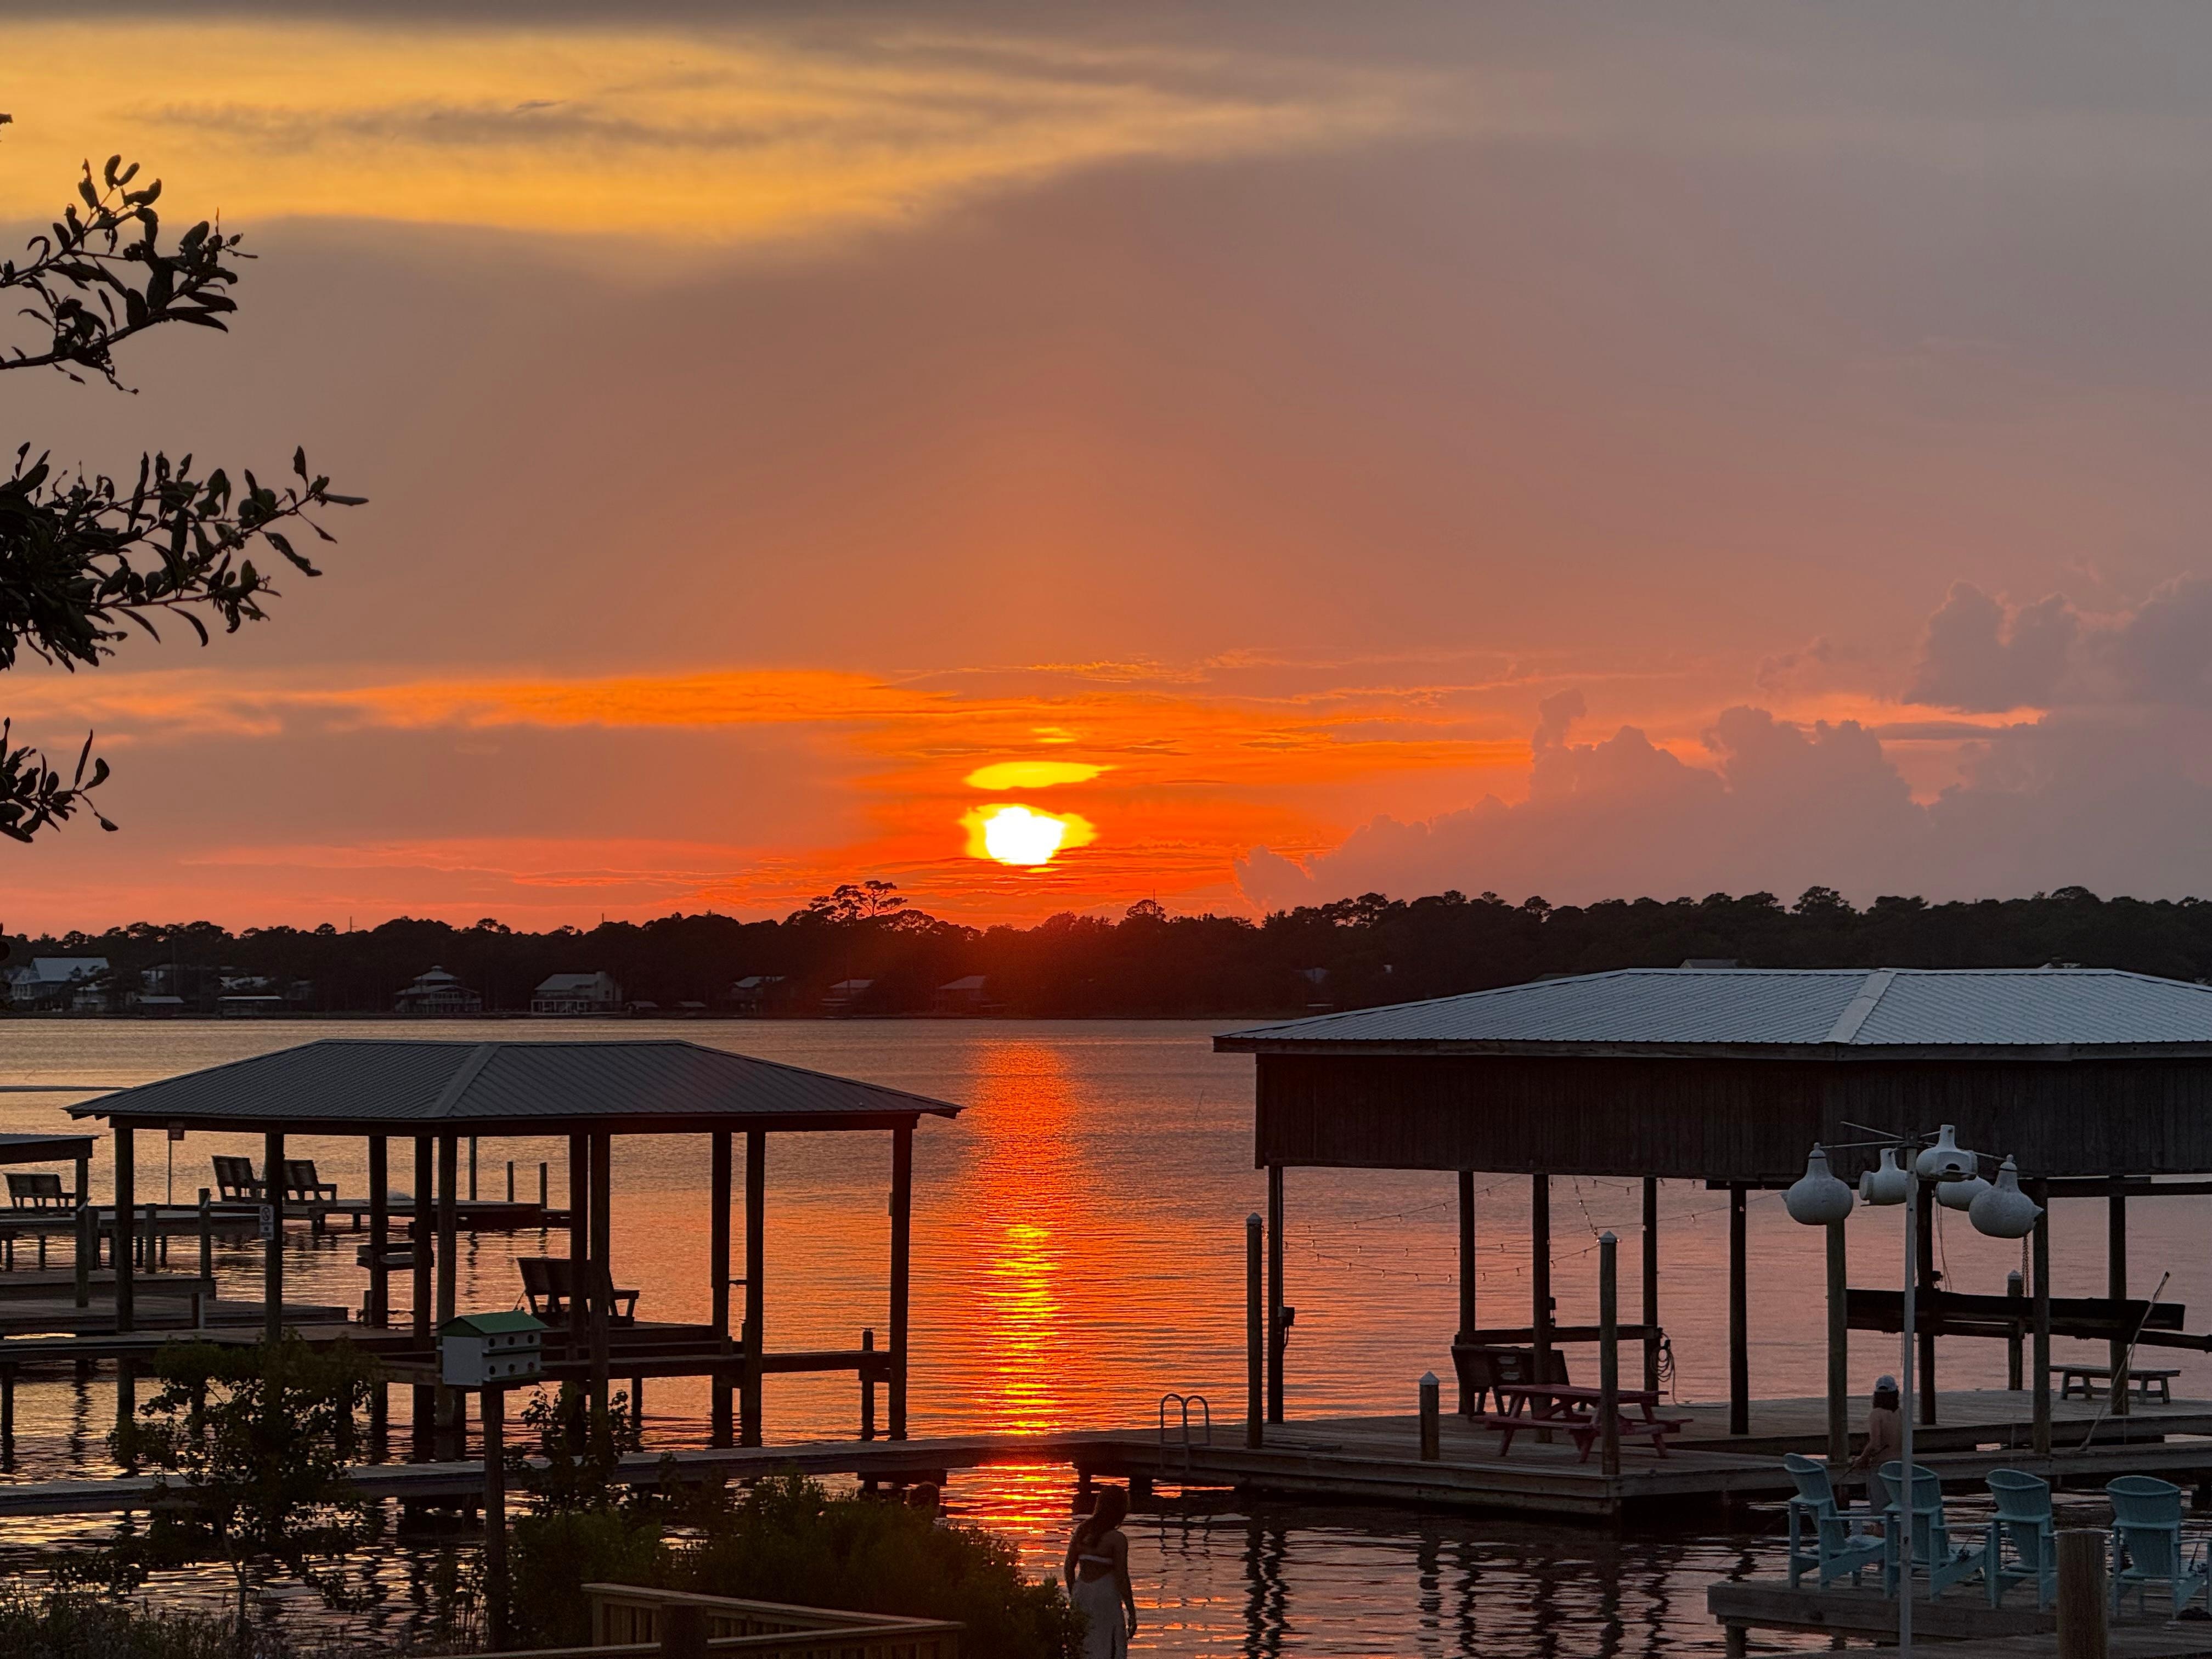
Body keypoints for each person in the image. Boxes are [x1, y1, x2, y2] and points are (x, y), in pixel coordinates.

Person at [1064, 1485, 1137, 1658]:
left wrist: (1074, 1593)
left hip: (1082, 1591)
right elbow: (1121, 1577)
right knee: (1111, 1643)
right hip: (1106, 1596)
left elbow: (1068, 1567)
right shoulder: (1117, 1540)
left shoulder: (1082, 1530)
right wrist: (1132, 1612)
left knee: (1084, 1643)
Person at [1848, 1374, 1904, 1477]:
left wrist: (1862, 1458)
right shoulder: (1901, 1413)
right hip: (1901, 1463)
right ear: (1895, 1394)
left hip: (1882, 1465)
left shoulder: (1876, 1414)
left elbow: (1875, 1444)